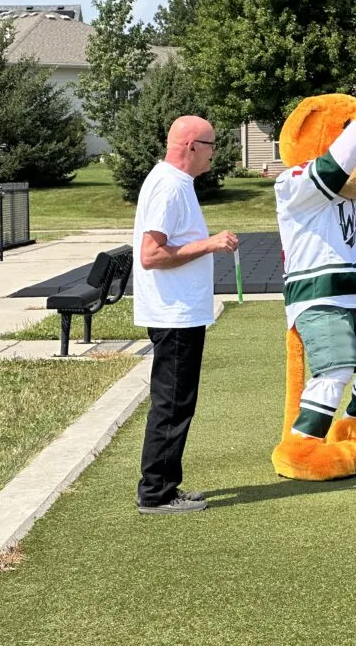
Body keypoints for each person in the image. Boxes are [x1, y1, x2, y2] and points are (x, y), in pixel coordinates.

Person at [133, 115, 239, 515]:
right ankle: (156, 493)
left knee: (177, 402)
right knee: (172, 403)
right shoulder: (169, 187)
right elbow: (151, 255)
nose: (216, 153)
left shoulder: (176, 184)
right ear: (192, 146)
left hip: (179, 311)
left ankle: (164, 484)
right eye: (212, 145)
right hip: (173, 313)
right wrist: (210, 244)